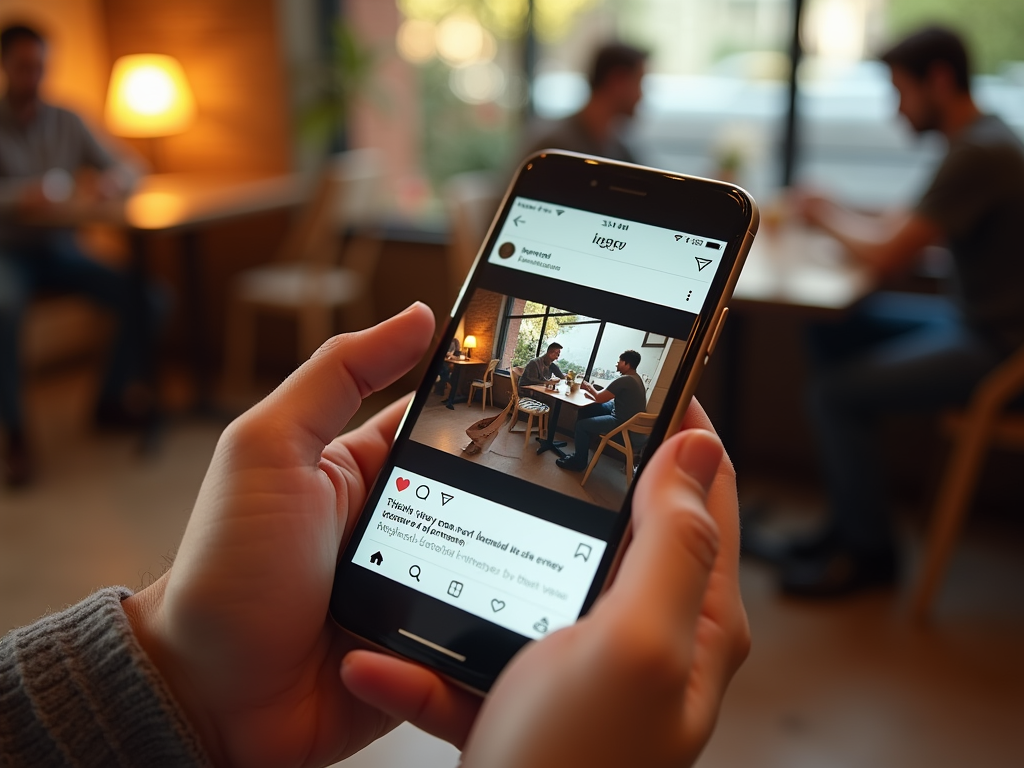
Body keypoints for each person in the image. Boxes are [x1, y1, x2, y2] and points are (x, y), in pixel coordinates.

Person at [0, 303, 750, 767]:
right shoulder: (560, 366)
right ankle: (562, 446)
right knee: (548, 427)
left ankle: (566, 448)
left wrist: (187, 680)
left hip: (601, 423)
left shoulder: (621, 382)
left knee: (566, 425)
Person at [776, 26, 1024, 597]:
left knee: (832, 392)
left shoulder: (979, 153)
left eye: (899, 91)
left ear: (938, 80)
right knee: (833, 328)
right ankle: (848, 523)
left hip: (1000, 348)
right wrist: (836, 208)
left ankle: (870, 553)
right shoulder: (980, 140)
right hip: (974, 323)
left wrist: (821, 213)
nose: (897, 110)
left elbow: (890, 254)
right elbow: (908, 222)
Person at [0, 23, 153, 488]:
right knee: (3, 309)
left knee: (147, 298)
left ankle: (108, 401)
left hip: (63, 250)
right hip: (9, 253)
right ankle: (17, 436)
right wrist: (21, 197)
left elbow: (132, 165)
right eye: (26, 67)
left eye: (41, 67)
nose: (35, 77)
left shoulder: (68, 119)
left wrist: (114, 182)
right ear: (6, 65)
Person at [521, 42, 648, 163]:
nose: (641, 95)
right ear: (616, 81)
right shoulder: (553, 148)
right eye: (639, 82)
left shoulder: (616, 148)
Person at [556, 349, 647, 472]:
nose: (616, 364)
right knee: (588, 408)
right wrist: (594, 396)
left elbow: (599, 398)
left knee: (581, 426)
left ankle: (579, 462)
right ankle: (582, 450)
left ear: (627, 363)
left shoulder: (625, 380)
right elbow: (606, 398)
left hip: (622, 424)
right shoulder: (636, 379)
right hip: (629, 420)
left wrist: (588, 387)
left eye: (619, 361)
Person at [434, 336, 461, 408]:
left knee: (453, 381)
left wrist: (452, 356)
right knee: (451, 381)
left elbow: (456, 357)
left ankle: (450, 400)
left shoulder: (455, 346)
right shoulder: (448, 345)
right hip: (444, 368)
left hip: (448, 368)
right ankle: (450, 400)